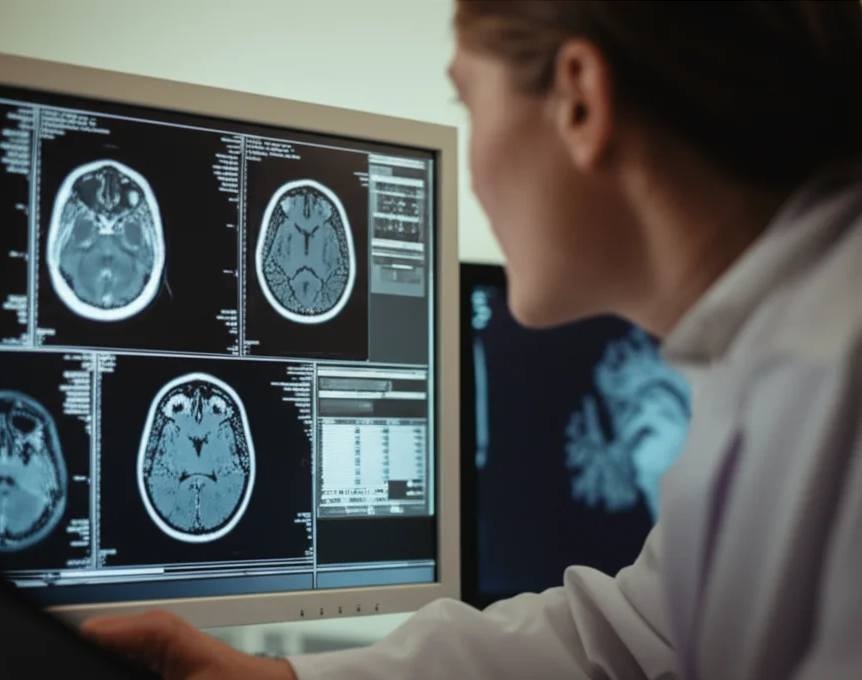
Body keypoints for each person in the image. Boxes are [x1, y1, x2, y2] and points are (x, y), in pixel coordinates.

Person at [83, 1, 862, 677]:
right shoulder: (775, 360)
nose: (471, 170)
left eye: (469, 101)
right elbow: (632, 638)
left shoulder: (834, 389)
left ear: (580, 101)